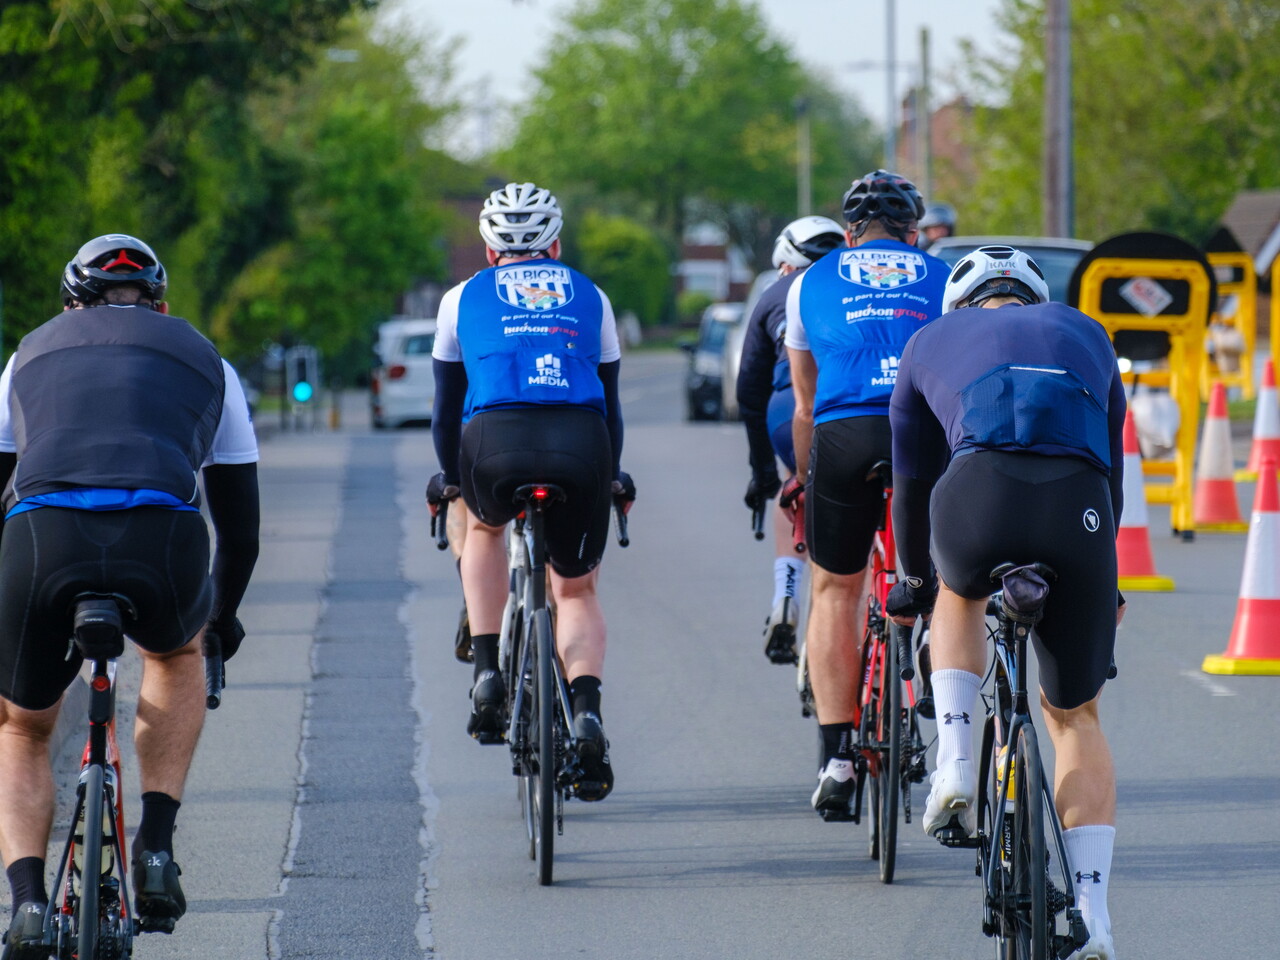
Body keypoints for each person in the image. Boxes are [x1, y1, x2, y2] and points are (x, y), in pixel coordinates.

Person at [0, 235, 260, 955]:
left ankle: (25, 905)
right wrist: (221, 620)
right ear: (161, 305)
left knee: (22, 727)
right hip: (162, 538)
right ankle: (155, 846)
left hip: (43, 536)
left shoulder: (27, 354)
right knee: (176, 654)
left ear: (68, 305)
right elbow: (240, 528)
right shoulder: (210, 360)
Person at [886, 245, 1125, 960]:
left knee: (957, 592)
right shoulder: (1088, 332)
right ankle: (1095, 915)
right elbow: (1109, 469)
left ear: (961, 305)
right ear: (1033, 296)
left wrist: (914, 580)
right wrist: (1104, 583)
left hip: (979, 493)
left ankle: (956, 760)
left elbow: (910, 476)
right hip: (1080, 509)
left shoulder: (930, 338)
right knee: (1075, 716)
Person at [428, 182, 633, 802]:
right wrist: (612, 475)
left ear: (488, 253)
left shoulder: (459, 300)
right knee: (575, 588)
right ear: (557, 245)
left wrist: (452, 482)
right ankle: (588, 712)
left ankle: (488, 671)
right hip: (580, 443)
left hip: (494, 440)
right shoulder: (592, 297)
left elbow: (445, 412)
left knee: (484, 525)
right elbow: (611, 408)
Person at [783, 170, 948, 819]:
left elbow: (802, 403)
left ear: (848, 234)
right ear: (915, 232)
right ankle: (937, 674)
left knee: (834, 592)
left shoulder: (809, 281)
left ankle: (835, 757)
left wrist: (803, 478)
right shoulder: (942, 276)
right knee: (943, 580)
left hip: (845, 433)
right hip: (921, 433)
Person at [736, 216, 844, 664]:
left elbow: (748, 389)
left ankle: (786, 592)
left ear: (786, 263)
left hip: (788, 410)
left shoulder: (775, 295)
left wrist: (761, 470)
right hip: (860, 409)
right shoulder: (851, 287)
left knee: (792, 483)